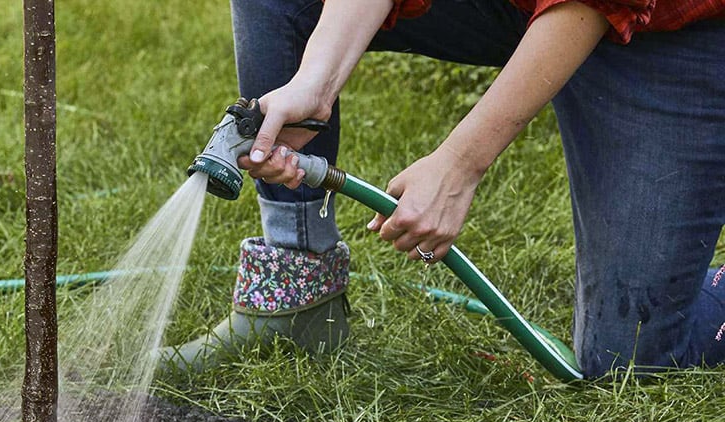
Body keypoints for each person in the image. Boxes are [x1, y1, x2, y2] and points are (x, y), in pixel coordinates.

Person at [164, 0, 725, 379]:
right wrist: (317, 81)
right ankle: (295, 288)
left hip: (672, 34)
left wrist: (458, 165)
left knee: (628, 357)